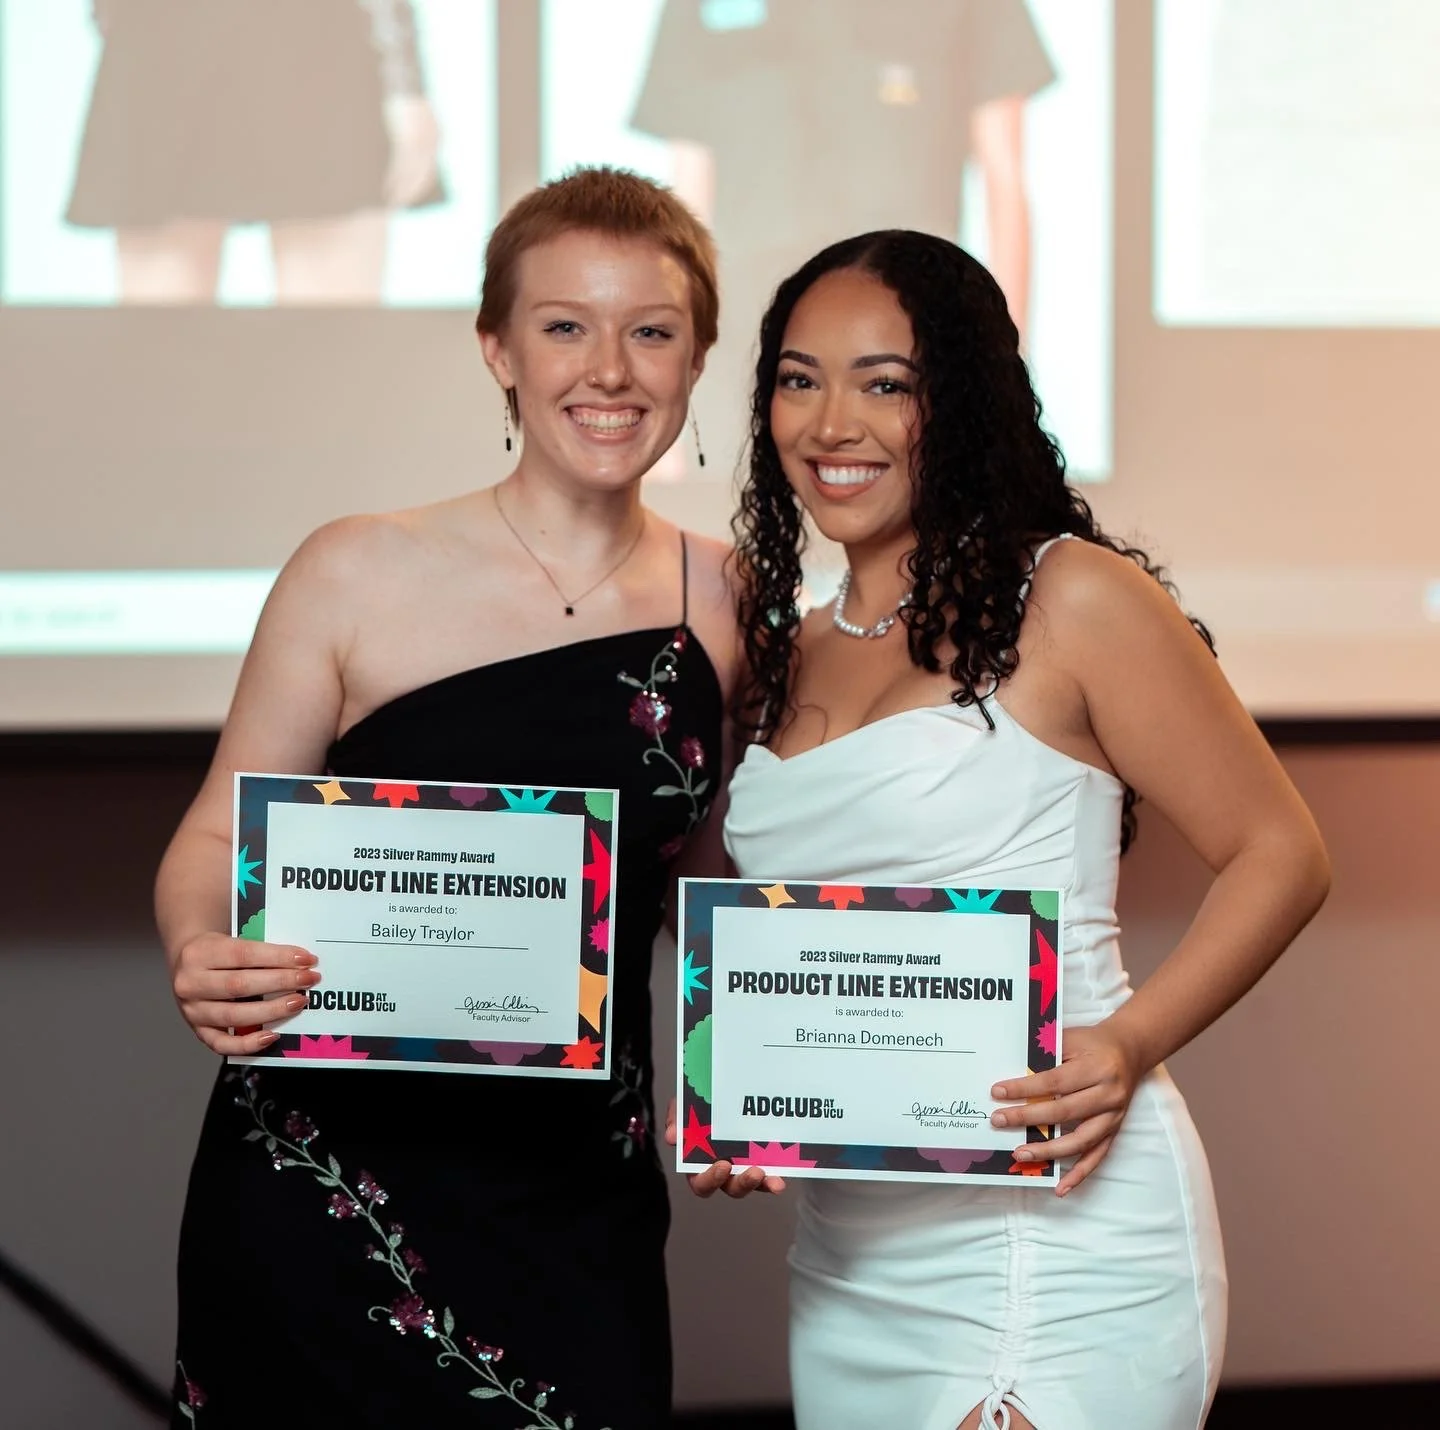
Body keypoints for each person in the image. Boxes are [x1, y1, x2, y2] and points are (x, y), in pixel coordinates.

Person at [682, 230, 1330, 1429]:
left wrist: (1128, 1043)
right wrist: (760, 1100)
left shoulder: (1071, 597)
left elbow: (1283, 851)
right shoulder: (781, 648)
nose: (834, 421)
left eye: (888, 382)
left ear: (962, 401)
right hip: (854, 1263)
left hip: (1059, 1236)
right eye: (798, 376)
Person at [156, 167, 735, 1428]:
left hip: (575, 1203)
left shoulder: (734, 601)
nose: (611, 369)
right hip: (326, 1188)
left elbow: (714, 886)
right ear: (498, 349)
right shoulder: (357, 566)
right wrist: (200, 945)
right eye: (564, 325)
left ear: (697, 361)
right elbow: (214, 830)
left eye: (652, 331)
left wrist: (746, 1070)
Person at [631, 0, 1054, 473]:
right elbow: (687, 200)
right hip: (742, 348)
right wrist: (670, 418)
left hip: (910, 339)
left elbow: (1005, 181)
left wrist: (1004, 383)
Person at [67, 0, 444, 303]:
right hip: (277, 42)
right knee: (159, 351)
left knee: (329, 346)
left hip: (293, 44)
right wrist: (405, 81)